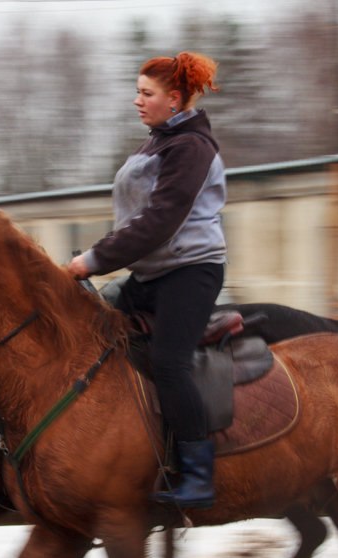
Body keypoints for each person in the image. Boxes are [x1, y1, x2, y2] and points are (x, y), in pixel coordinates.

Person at [66, 51, 225, 508]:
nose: (137, 100)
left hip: (190, 273)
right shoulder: (157, 142)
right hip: (152, 273)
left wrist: (93, 261)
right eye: (137, 91)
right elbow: (134, 220)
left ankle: (198, 476)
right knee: (90, 333)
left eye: (146, 93)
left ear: (174, 99)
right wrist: (94, 256)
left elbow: (159, 221)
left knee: (170, 362)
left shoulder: (190, 147)